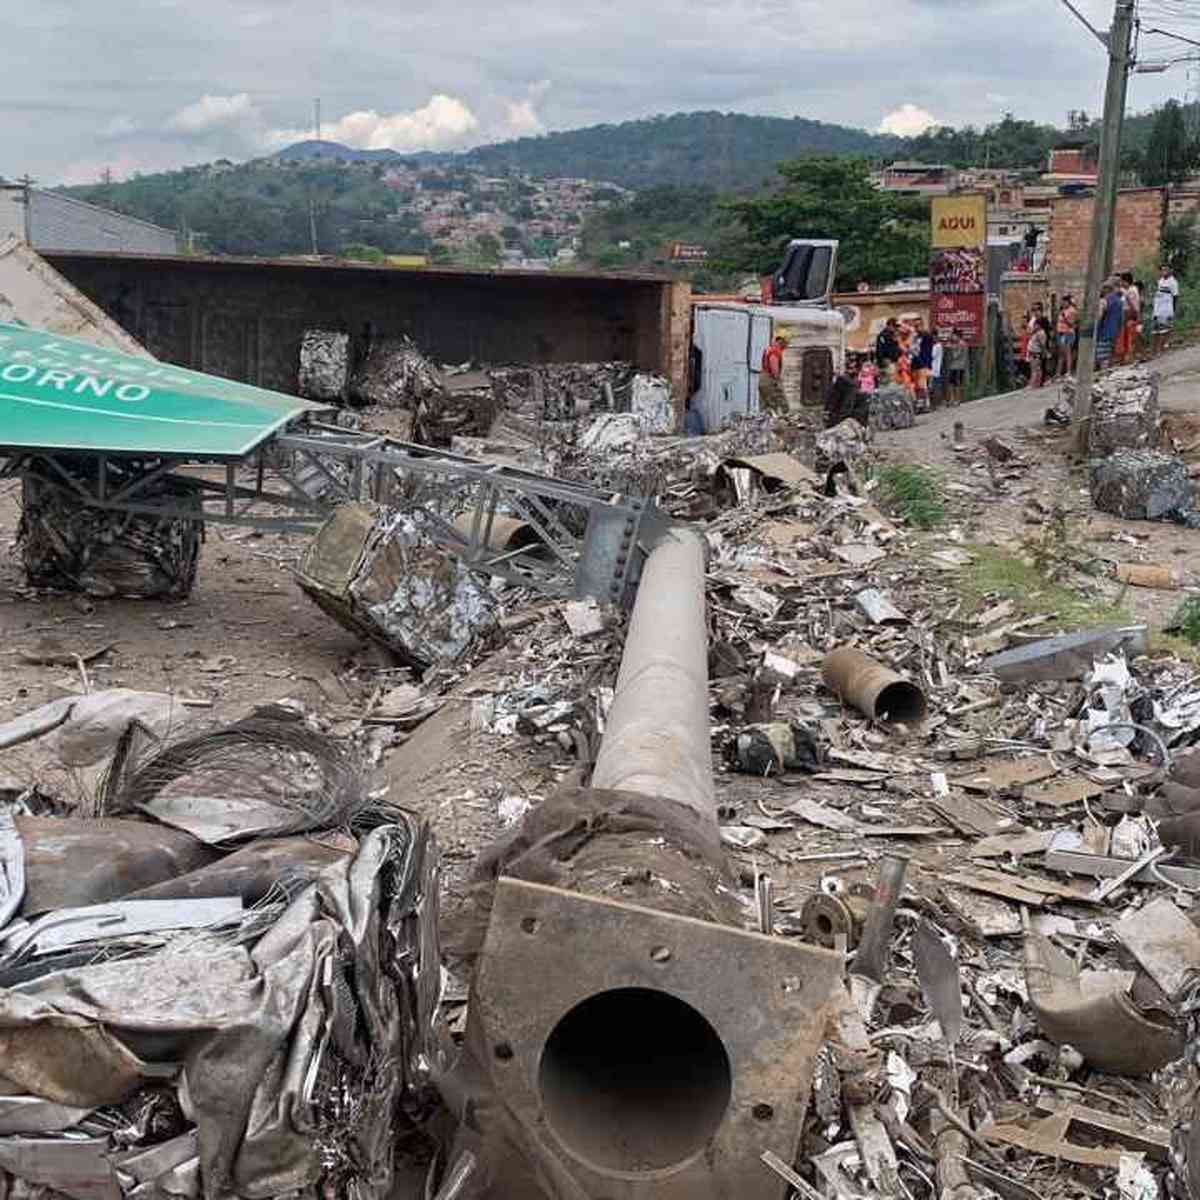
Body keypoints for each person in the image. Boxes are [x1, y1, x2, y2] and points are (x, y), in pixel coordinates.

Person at [824, 357, 861, 428]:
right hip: (842, 413)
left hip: (843, 413)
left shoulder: (852, 382)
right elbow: (834, 396)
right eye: (850, 368)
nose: (852, 370)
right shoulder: (844, 381)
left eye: (853, 368)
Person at [1096, 281, 1124, 370]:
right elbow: (1121, 318)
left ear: (1106, 289)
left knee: (1102, 356)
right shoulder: (1119, 301)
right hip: (1115, 331)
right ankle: (1108, 373)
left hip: (1104, 331)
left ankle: (1103, 373)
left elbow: (1099, 316)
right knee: (1110, 354)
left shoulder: (1104, 300)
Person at [1153, 263, 1180, 353]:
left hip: (1167, 308)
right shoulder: (1160, 281)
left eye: (1166, 269)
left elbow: (1175, 296)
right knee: (1156, 329)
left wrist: (1173, 309)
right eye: (1162, 270)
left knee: (1165, 328)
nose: (1164, 271)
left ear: (1170, 271)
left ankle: (1164, 346)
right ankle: (1156, 349)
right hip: (1158, 308)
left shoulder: (1173, 282)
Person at [759, 333, 788, 414]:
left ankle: (765, 424)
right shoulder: (775, 351)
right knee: (776, 405)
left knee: (765, 406)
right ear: (781, 341)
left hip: (763, 379)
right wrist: (777, 379)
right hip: (769, 380)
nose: (787, 346)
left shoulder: (769, 349)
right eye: (786, 343)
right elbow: (773, 366)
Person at [1115, 271, 1140, 364]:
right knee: (1125, 337)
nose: (1121, 284)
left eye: (1122, 281)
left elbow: (1133, 306)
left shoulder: (1132, 291)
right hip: (1126, 315)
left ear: (1126, 281)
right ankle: (1125, 357)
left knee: (1129, 336)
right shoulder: (1127, 291)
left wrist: (1134, 316)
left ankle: (1129, 357)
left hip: (1129, 315)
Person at [911, 317, 934, 412]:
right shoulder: (913, 337)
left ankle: (926, 404)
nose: (917, 328)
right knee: (916, 386)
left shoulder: (926, 336)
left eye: (918, 325)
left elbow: (929, 343)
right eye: (915, 326)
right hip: (914, 363)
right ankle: (919, 405)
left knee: (923, 385)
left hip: (923, 363)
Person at [944, 329, 969, 406]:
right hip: (953, 367)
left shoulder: (961, 344)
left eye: (953, 335)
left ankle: (957, 400)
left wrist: (950, 348)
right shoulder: (956, 344)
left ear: (957, 336)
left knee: (957, 384)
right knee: (951, 383)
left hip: (958, 367)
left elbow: (955, 356)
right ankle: (952, 399)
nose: (952, 337)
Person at [1056, 295, 1078, 377]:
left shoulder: (1072, 311)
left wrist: (1064, 317)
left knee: (1068, 352)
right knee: (1061, 353)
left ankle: (1068, 371)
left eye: (1064, 302)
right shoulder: (1062, 310)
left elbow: (1072, 324)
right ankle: (1058, 372)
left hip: (1068, 333)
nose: (1062, 304)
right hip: (1060, 332)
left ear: (1068, 302)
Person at [1026, 318, 1047, 389]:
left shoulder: (1040, 334)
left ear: (1039, 325)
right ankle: (1036, 383)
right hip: (1033, 352)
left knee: (1035, 369)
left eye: (1035, 325)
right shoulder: (1036, 333)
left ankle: (1033, 384)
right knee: (1036, 369)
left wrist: (1045, 352)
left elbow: (1042, 344)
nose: (1034, 326)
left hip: (1036, 353)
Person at [930, 331, 944, 409]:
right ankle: (936, 404)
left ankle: (936, 404)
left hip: (934, 370)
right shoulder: (935, 346)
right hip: (933, 370)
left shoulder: (937, 346)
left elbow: (932, 355)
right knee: (934, 387)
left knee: (935, 388)